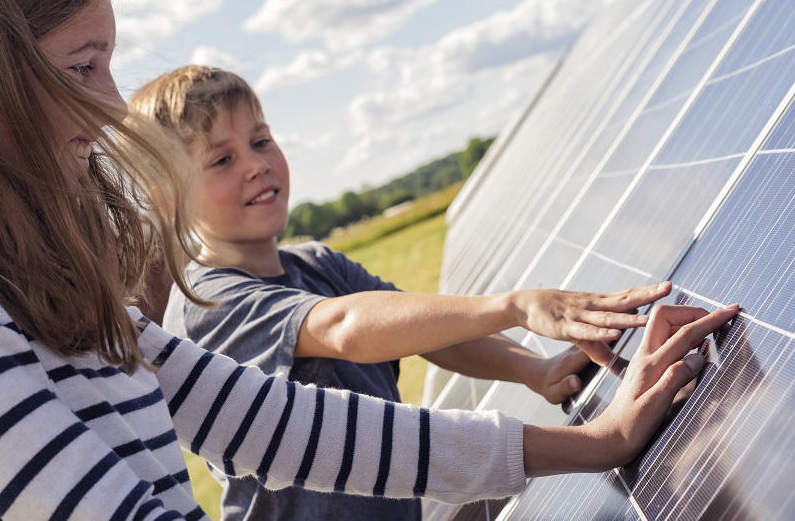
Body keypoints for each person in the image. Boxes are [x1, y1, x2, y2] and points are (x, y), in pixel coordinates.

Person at [0, 0, 739, 520]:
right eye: (82, 68)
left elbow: (279, 425)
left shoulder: (20, 276)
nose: (113, 105)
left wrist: (588, 443)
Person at [129, 65, 665, 519]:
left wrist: (534, 369)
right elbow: (345, 328)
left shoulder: (315, 263)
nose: (255, 164)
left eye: (261, 139)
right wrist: (514, 306)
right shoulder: (206, 303)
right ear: (169, 197)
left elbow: (429, 335)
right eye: (222, 160)